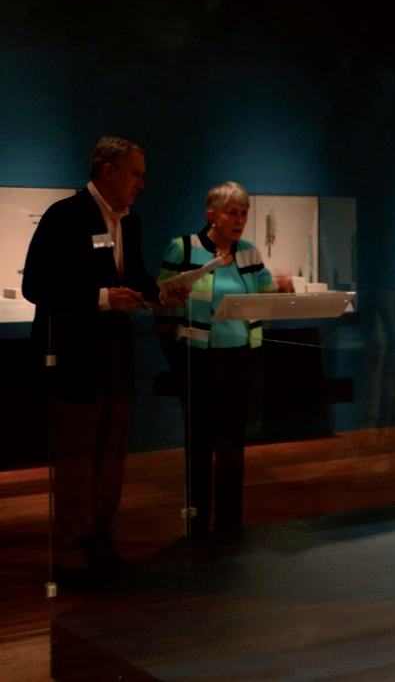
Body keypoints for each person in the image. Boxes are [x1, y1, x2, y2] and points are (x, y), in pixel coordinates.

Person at [22, 136, 188, 581]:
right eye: (136, 173)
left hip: (116, 355)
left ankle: (100, 544)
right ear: (108, 171)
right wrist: (101, 298)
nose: (143, 184)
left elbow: (132, 276)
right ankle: (73, 555)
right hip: (73, 359)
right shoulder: (65, 216)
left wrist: (161, 291)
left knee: (112, 456)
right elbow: (36, 286)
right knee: (76, 458)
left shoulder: (127, 223)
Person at [158, 181, 274, 535]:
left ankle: (228, 527)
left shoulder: (250, 253)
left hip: (239, 358)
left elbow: (266, 295)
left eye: (244, 213)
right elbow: (161, 300)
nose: (239, 219)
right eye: (232, 213)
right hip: (198, 359)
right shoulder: (185, 248)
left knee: (232, 445)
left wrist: (282, 289)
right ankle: (195, 527)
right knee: (200, 444)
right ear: (212, 215)